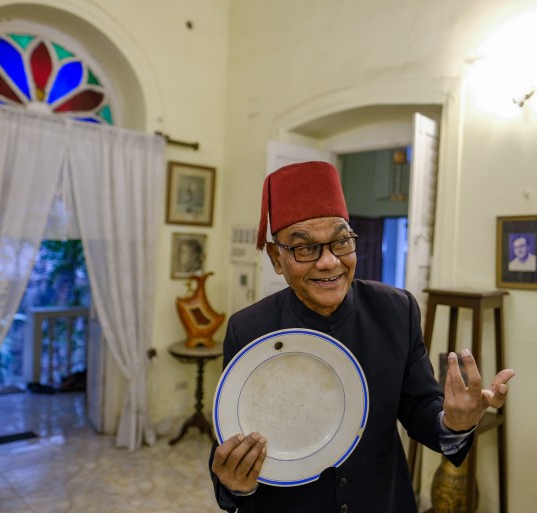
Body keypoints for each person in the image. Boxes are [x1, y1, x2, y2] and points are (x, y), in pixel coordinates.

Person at [209, 161, 515, 513]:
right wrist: (234, 484)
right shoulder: (248, 330)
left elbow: (418, 407)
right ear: (278, 259)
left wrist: (456, 421)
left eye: (340, 242)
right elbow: (230, 440)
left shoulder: (396, 310)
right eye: (305, 248)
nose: (328, 262)